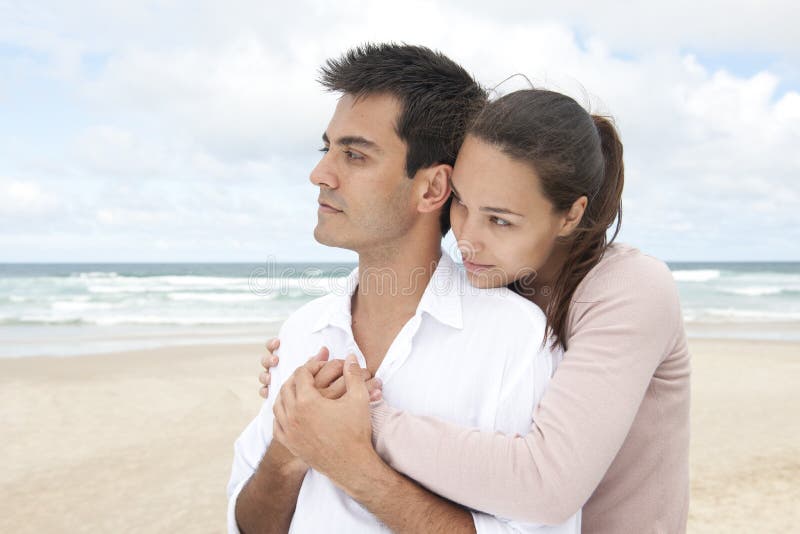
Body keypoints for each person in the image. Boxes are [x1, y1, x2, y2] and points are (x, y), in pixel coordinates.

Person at [259, 88, 691, 533]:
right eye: (462, 203)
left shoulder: (630, 288)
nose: (467, 238)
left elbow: (546, 483)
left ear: (570, 215)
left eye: (500, 220)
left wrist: (354, 419)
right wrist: (301, 366)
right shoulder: (495, 275)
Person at [228, 43, 582, 533]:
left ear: (433, 188)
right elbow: (245, 525)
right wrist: (286, 453)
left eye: (354, 154)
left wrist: (354, 467)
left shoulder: (515, 341)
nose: (320, 174)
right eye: (325, 148)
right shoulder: (302, 330)